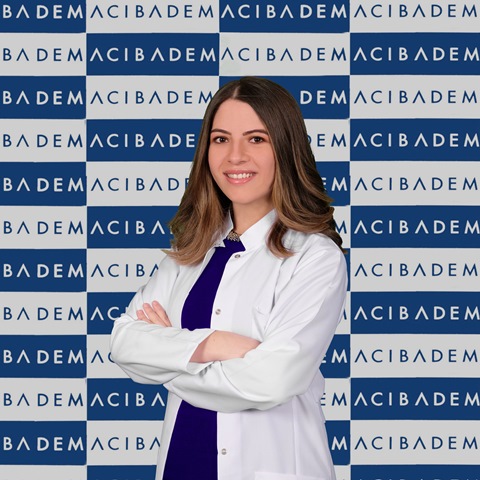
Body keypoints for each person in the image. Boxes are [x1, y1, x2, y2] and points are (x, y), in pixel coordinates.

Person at [110, 76, 347, 480]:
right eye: (221, 139)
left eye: (256, 139)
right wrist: (213, 344)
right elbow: (124, 342)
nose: (235, 156)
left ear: (285, 149)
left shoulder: (315, 257)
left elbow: (273, 380)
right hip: (183, 464)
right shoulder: (191, 249)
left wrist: (170, 360)